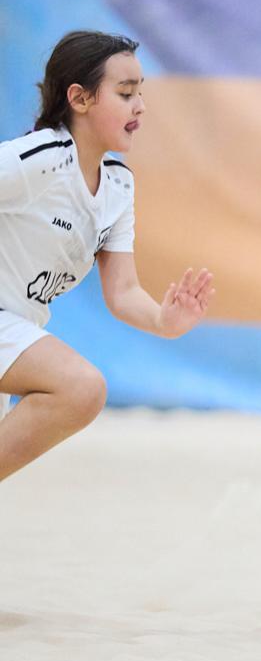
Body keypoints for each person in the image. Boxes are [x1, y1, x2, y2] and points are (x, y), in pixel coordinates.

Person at [0, 30, 215, 483]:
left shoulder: (118, 184)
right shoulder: (39, 158)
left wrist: (163, 321)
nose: (140, 106)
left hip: (15, 333)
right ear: (79, 98)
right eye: (125, 93)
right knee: (80, 387)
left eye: (141, 92)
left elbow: (123, 291)